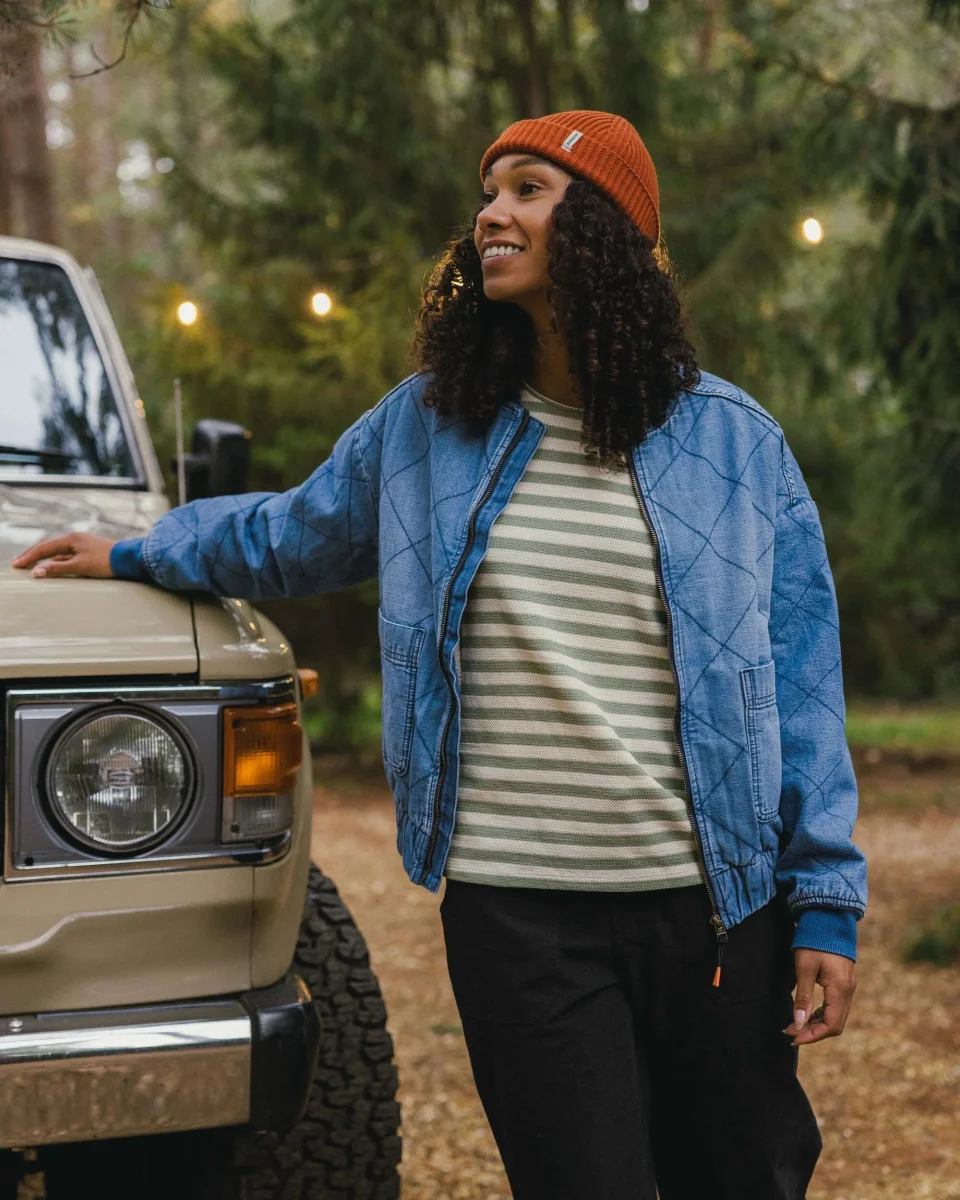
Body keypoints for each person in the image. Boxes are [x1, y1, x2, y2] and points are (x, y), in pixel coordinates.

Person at [14, 110, 866, 1200]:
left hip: (714, 912)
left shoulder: (737, 444)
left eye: (527, 189)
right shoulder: (428, 426)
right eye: (488, 191)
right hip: (519, 914)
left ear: (605, 227)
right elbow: (290, 533)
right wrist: (137, 549)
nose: (490, 214)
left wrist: (825, 899)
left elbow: (800, 682)